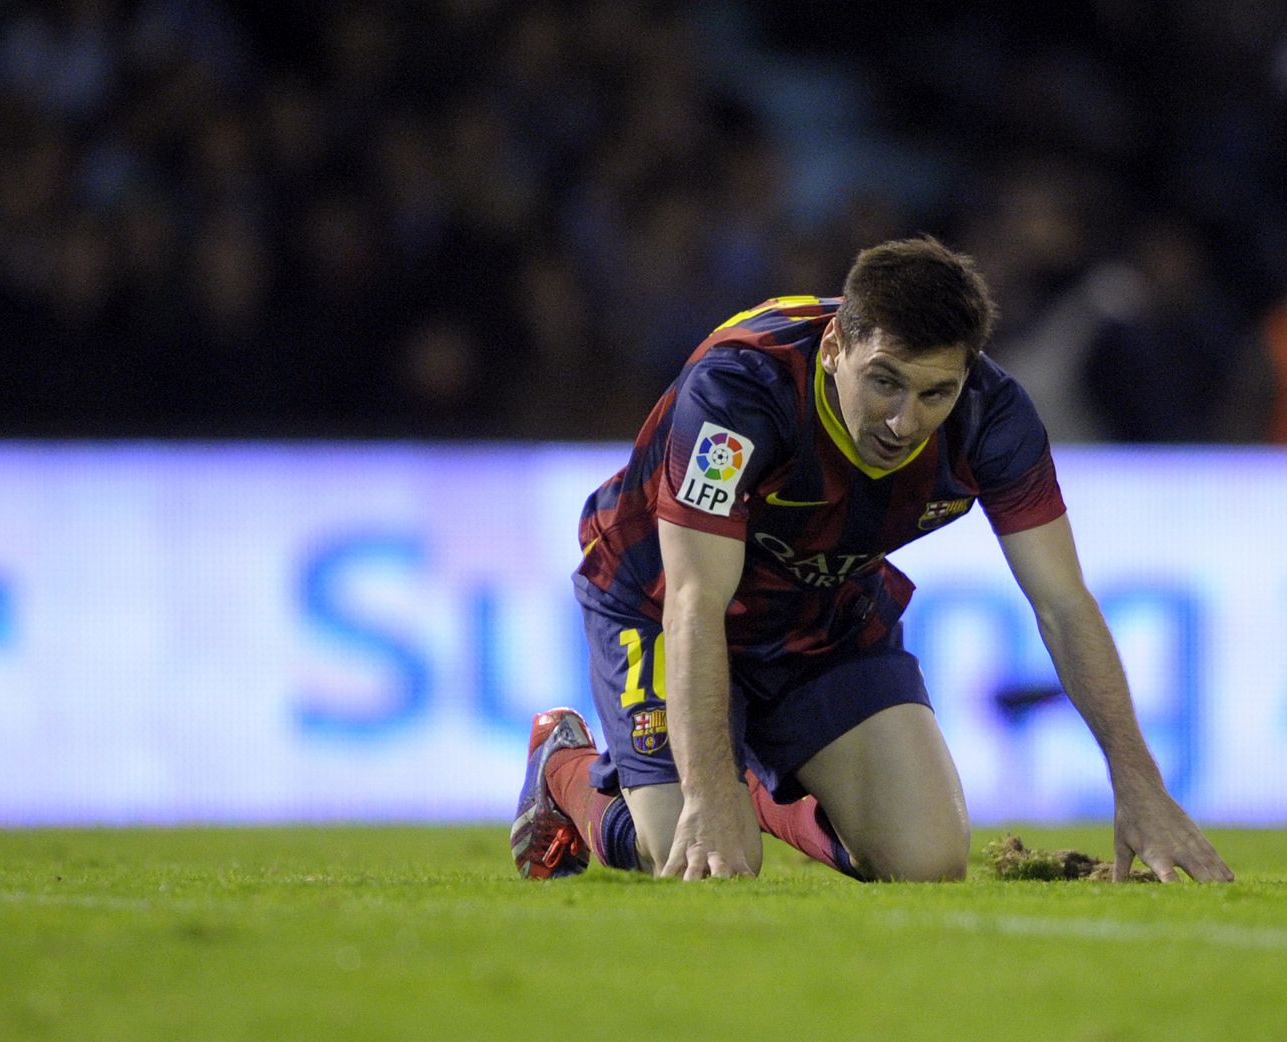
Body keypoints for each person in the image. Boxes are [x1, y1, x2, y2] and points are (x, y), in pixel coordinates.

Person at [510, 235, 1233, 884]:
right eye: (884, 380)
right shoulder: (738, 393)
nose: (903, 422)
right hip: (660, 604)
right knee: (686, 846)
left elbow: (1064, 603)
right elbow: (694, 598)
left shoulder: (993, 417)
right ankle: (565, 772)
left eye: (934, 393)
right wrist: (704, 794)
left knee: (929, 862)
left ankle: (754, 790)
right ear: (834, 349)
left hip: (821, 619)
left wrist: (1139, 782)